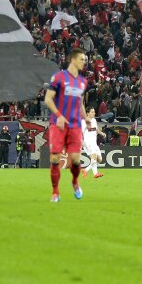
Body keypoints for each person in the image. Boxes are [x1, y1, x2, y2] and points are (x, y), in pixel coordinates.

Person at [44, 50, 89, 202]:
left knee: (75, 160)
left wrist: (86, 118)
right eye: (82, 59)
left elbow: (80, 102)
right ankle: (55, 191)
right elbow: (48, 99)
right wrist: (59, 115)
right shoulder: (58, 77)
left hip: (75, 125)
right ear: (73, 59)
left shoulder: (83, 81)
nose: (84, 62)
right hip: (58, 124)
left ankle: (75, 182)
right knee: (55, 157)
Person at [82, 108, 105, 179]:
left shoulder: (94, 120)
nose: (94, 113)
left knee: (99, 159)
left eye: (94, 112)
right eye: (92, 112)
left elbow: (96, 129)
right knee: (94, 157)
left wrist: (101, 133)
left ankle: (85, 170)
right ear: (87, 113)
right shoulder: (84, 121)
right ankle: (95, 173)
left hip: (94, 143)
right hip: (87, 142)